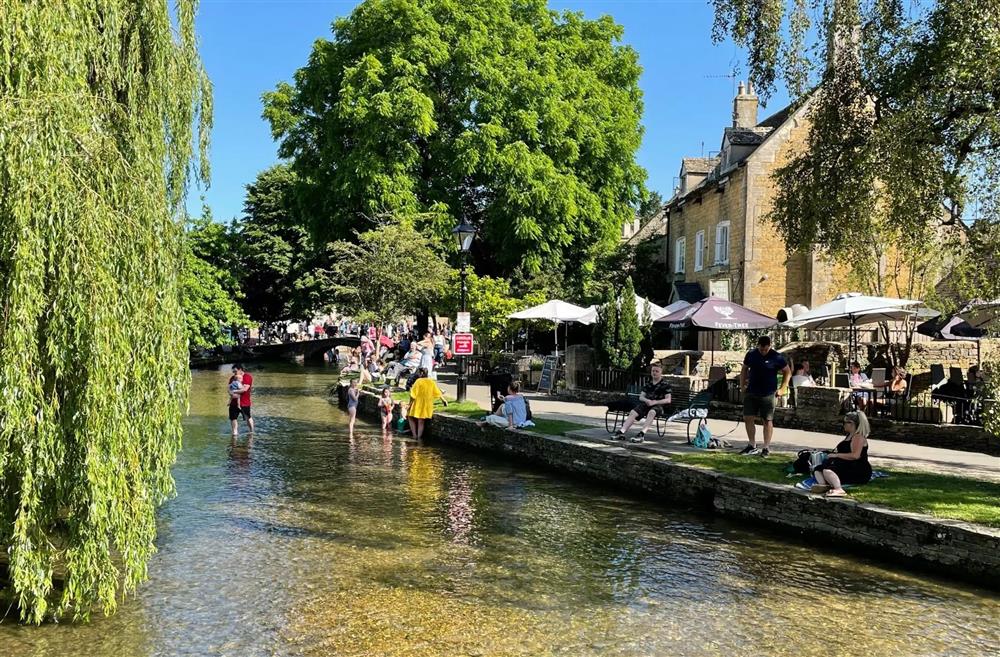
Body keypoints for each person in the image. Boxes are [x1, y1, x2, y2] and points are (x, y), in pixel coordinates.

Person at [740, 336, 790, 457]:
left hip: (768, 393)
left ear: (769, 346)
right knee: (748, 418)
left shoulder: (776, 357)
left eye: (765, 349)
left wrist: (783, 388)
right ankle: (752, 445)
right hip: (751, 392)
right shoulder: (751, 354)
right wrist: (742, 385)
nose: (763, 351)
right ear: (758, 346)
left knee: (767, 420)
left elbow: (787, 371)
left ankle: (766, 447)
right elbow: (744, 369)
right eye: (761, 349)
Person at [811, 410, 872, 497]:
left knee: (827, 471)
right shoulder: (849, 435)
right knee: (818, 469)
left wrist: (836, 455)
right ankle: (824, 485)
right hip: (846, 464)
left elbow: (855, 456)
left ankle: (838, 489)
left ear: (851, 423)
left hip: (858, 468)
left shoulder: (858, 437)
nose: (843, 425)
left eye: (844, 422)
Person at [613, 362, 672, 444]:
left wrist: (655, 402)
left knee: (652, 412)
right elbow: (641, 396)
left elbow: (668, 400)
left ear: (661, 372)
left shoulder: (665, 385)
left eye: (656, 371)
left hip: (659, 406)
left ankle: (641, 434)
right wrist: (646, 400)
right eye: (653, 371)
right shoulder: (649, 384)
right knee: (633, 412)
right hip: (647, 404)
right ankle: (621, 432)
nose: (654, 373)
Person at [407, 368, 448, 439]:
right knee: (421, 421)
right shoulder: (431, 381)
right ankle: (419, 437)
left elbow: (413, 395)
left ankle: (414, 435)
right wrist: (444, 400)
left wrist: (409, 404)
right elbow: (437, 392)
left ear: (421, 373)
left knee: (410, 417)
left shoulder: (418, 381)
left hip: (418, 403)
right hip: (427, 405)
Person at [228, 364, 255, 435]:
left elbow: (245, 389)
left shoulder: (247, 377)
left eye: (235, 371)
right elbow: (229, 388)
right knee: (233, 418)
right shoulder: (232, 378)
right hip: (233, 402)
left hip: (244, 402)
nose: (234, 373)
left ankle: (251, 431)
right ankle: (234, 433)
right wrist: (230, 393)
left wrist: (233, 391)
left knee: (248, 417)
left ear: (240, 370)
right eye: (233, 372)